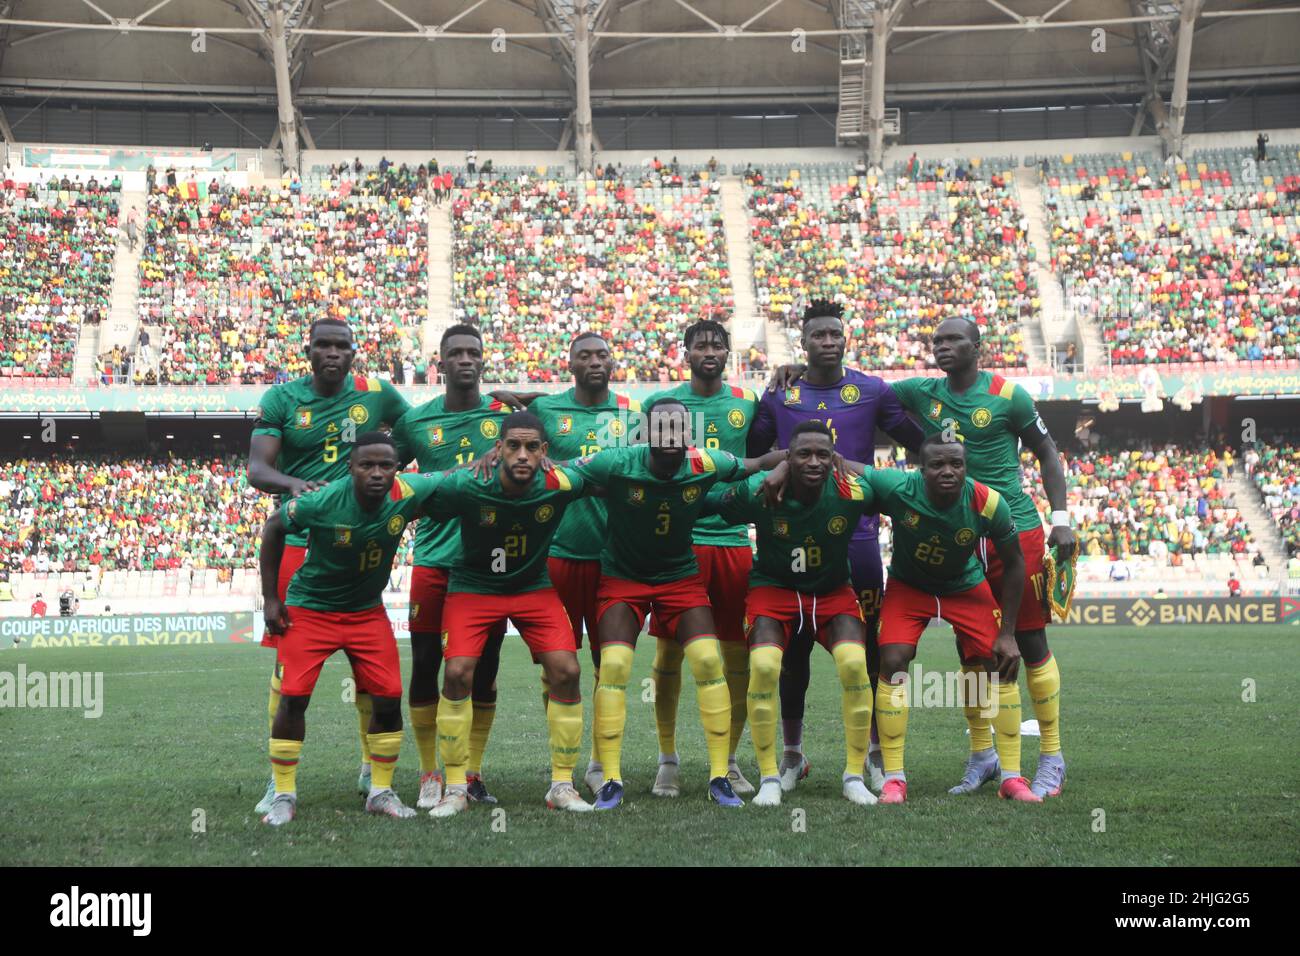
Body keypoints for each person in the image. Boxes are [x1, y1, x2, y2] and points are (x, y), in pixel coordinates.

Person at [889, 317, 1076, 800]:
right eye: (937, 340)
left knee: (1027, 641)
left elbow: (1047, 452)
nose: (943, 347)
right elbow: (862, 394)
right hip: (959, 535)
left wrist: (1061, 517)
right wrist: (798, 373)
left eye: (954, 340)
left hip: (1015, 532)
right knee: (972, 648)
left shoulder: (1007, 396)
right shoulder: (921, 391)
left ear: (978, 345)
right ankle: (983, 755)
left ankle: (1052, 756)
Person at [569, 398, 788, 810]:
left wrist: (789, 462)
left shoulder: (707, 462)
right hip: (623, 579)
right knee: (614, 666)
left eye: (678, 428)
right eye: (661, 427)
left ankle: (719, 776)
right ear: (645, 433)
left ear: (689, 434)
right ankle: (611, 779)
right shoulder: (616, 462)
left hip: (679, 579)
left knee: (708, 661)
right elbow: (564, 475)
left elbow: (758, 462)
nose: (670, 435)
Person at [754, 300, 924, 793]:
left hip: (859, 537)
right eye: (818, 335)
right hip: (794, 536)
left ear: (845, 339)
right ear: (802, 343)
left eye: (835, 334)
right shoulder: (780, 393)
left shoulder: (870, 390)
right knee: (794, 649)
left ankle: (872, 753)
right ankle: (792, 755)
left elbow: (920, 440)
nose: (828, 342)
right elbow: (751, 453)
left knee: (867, 649)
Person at [246, 318, 411, 816]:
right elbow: (257, 469)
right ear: (309, 350)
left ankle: (371, 772)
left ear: (354, 352)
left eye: (343, 346)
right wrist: (293, 484)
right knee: (287, 670)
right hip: (299, 538)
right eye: (324, 345)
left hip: (358, 534)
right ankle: (279, 784)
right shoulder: (282, 399)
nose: (333, 353)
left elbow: (418, 430)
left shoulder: (377, 394)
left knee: (373, 672)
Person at [258, 433, 438, 826]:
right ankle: (283, 794)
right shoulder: (322, 501)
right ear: (350, 468)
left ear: (398, 469)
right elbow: (273, 528)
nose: (376, 473)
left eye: (385, 466)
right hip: (311, 609)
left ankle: (380, 791)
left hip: (364, 611)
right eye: (366, 465)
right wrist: (271, 599)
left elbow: (453, 480)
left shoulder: (406, 493)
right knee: (293, 698)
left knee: (388, 696)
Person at [426, 412, 594, 817]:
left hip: (531, 587)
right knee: (457, 673)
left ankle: (561, 785)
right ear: (497, 448)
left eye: (531, 447)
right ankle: (454, 788)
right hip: (473, 587)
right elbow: (415, 491)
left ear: (545, 452)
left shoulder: (560, 483)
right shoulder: (470, 482)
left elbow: (609, 468)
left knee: (568, 671)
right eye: (513, 446)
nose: (522, 455)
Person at [704, 421, 877, 807]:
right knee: (764, 666)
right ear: (788, 457)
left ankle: (854, 774)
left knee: (854, 664)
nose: (813, 462)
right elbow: (707, 500)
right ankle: (769, 777)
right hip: (774, 589)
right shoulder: (761, 490)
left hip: (832, 592)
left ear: (834, 459)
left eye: (822, 455)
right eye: (802, 454)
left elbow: (905, 489)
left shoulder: (853, 491)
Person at [863, 436, 1027, 804]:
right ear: (922, 470)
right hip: (909, 586)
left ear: (967, 467)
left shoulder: (987, 503)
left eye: (956, 463)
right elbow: (854, 469)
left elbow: (1015, 564)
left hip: (964, 585)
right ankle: (894, 779)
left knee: (999, 661)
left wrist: (1009, 633)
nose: (948, 471)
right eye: (938, 464)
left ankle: (1011, 777)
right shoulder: (900, 486)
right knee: (892, 660)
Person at [389, 324, 513, 809]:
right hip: (434, 561)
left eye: (473, 352)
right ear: (439, 363)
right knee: (425, 665)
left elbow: (553, 424)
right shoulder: (416, 423)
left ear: (483, 361)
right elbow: (378, 474)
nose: (465, 359)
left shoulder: (504, 417)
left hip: (490, 565)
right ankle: (428, 773)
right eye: (455, 353)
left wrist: (524, 396)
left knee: (485, 670)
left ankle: (474, 772)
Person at [645, 319, 761, 798]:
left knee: (737, 655)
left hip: (733, 542)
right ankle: (667, 759)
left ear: (728, 353)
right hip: (681, 542)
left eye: (718, 344)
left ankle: (729, 761)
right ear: (685, 353)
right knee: (669, 651)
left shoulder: (748, 402)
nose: (709, 351)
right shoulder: (660, 404)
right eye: (700, 345)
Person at [530, 332, 641, 793]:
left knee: (607, 663)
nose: (595, 361)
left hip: (613, 558)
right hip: (557, 554)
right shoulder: (546, 410)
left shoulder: (634, 416)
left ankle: (600, 762)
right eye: (585, 356)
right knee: (557, 664)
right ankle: (563, 760)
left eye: (602, 354)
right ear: (570, 364)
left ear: (613, 361)